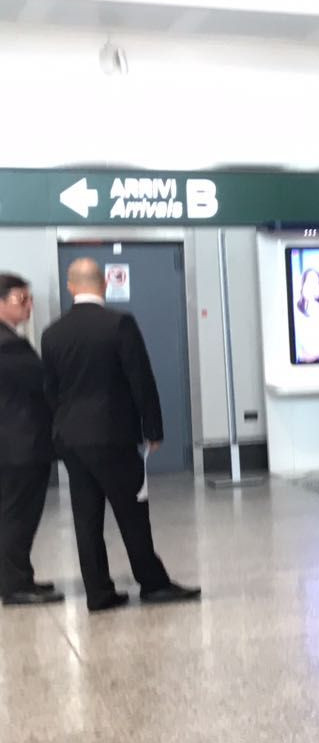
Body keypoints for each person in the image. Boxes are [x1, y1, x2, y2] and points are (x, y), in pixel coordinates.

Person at [40, 259, 201, 613]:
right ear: (103, 285)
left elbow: (50, 390)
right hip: (112, 434)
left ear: (70, 287)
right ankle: (152, 583)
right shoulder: (119, 324)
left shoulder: (52, 333)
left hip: (71, 438)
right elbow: (140, 377)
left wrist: (61, 428)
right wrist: (153, 428)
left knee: (86, 517)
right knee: (132, 512)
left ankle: (98, 593)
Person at [0, 274, 61, 606]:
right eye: (21, 299)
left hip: (14, 443)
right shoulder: (8, 345)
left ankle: (17, 576)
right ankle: (16, 584)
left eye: (29, 299)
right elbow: (43, 383)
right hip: (20, 444)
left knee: (14, 514)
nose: (29, 306)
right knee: (18, 516)